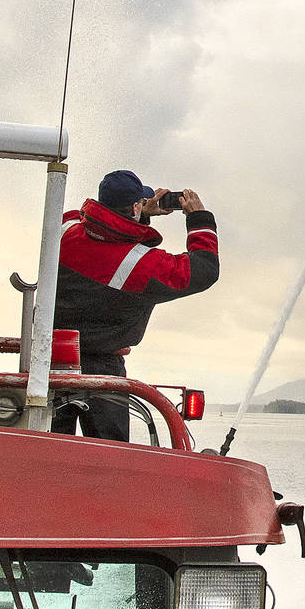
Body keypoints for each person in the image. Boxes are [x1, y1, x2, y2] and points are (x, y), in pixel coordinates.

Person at [52, 169, 219, 441]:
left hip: (51, 359)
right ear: (133, 206)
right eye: (139, 203)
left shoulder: (65, 230)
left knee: (48, 445)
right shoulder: (139, 265)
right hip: (103, 371)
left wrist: (141, 214)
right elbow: (203, 270)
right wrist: (199, 220)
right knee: (110, 457)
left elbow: (92, 224)